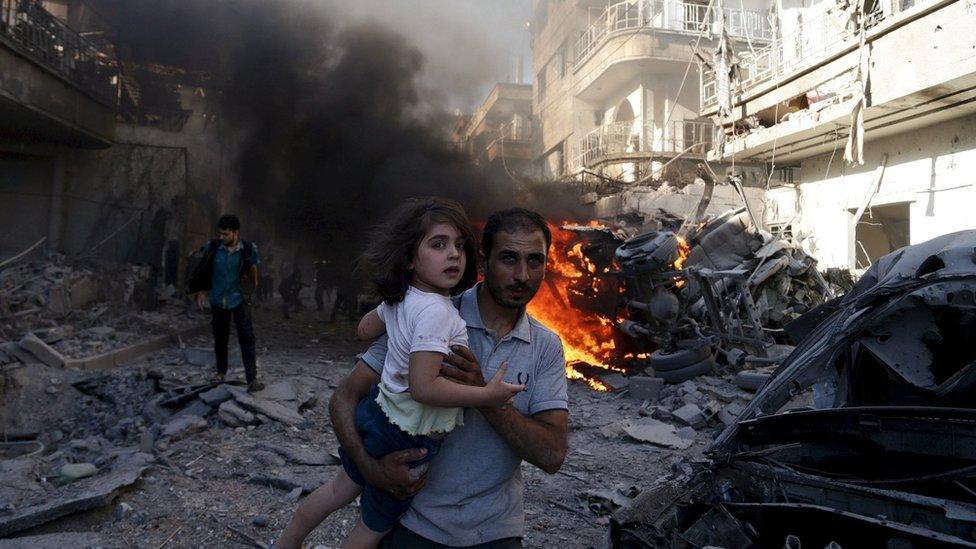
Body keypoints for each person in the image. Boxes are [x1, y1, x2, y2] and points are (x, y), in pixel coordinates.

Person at [280, 208, 569, 548]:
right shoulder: (432, 311)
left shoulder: (546, 346)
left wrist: (483, 394)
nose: (522, 274)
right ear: (483, 260)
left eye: (535, 261)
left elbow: (551, 457)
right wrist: (370, 468)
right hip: (416, 521)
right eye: (508, 258)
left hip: (494, 531)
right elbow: (344, 397)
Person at [186, 214, 264, 393]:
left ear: (236, 233)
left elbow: (253, 270)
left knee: (247, 337)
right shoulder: (212, 247)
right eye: (220, 234)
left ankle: (251, 379)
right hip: (218, 299)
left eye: (226, 234)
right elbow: (203, 269)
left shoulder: (249, 249)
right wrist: (200, 292)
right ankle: (221, 373)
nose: (221, 237)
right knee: (220, 338)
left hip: (239, 300)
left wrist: (250, 290)